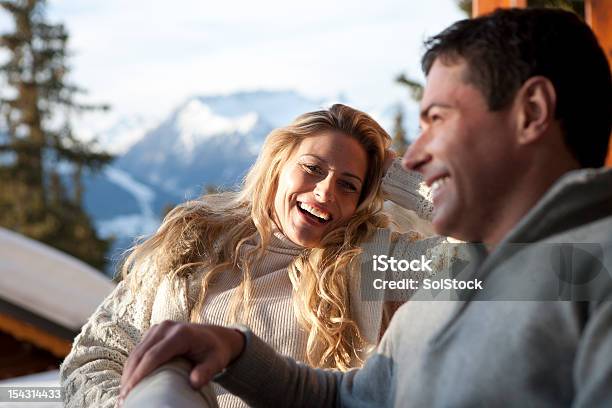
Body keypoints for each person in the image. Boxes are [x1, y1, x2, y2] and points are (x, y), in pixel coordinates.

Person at [117, 7, 612, 407]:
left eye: (437, 118)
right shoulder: (444, 298)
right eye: (311, 168)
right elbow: (353, 398)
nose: (415, 155)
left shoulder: (588, 272)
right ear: (275, 162)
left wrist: (390, 174)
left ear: (532, 112)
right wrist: (237, 353)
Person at [60, 103, 445, 407]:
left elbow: (498, 259)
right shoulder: (194, 243)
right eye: (312, 168)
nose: (326, 192)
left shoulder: (374, 262)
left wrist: (400, 176)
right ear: (278, 165)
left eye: (348, 185)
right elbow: (94, 356)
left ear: (362, 200)